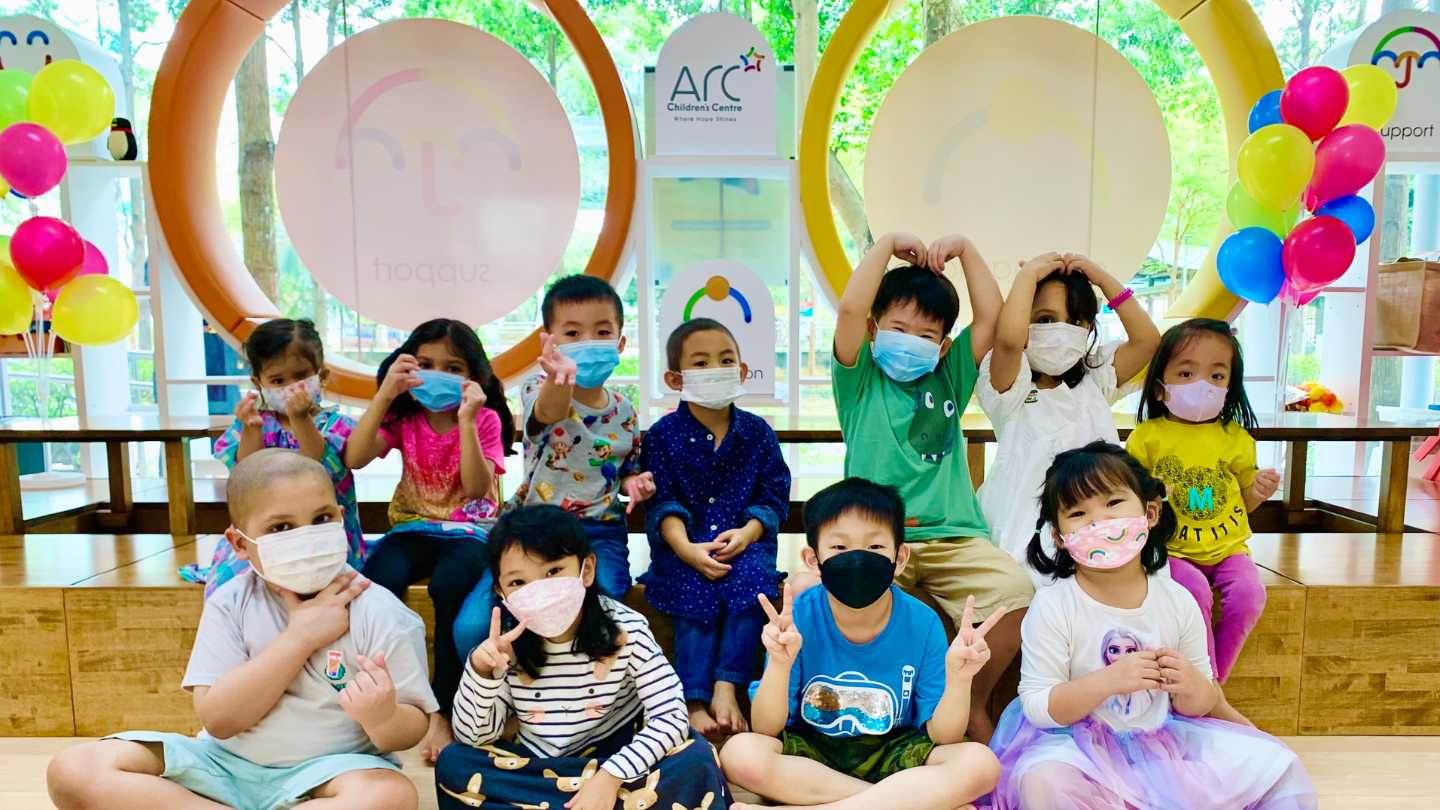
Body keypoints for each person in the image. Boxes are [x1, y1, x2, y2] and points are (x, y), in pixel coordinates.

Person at [47, 449, 437, 810]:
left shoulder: (381, 610)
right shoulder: (231, 602)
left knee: (390, 795)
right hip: (223, 766)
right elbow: (219, 721)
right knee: (74, 769)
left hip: (331, 773)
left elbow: (411, 729)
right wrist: (299, 638)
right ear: (240, 543)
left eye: (320, 519)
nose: (305, 537)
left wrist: (382, 716)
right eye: (281, 527)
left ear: (341, 519)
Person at [982, 442, 1315, 810]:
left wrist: (1192, 685)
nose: (1099, 521)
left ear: (1151, 512)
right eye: (1078, 512)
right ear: (1060, 538)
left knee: (1274, 765)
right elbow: (1038, 705)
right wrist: (1108, 680)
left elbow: (1200, 702)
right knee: (1043, 781)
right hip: (1074, 751)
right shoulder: (1054, 605)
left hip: (1161, 748)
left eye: (1113, 503)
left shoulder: (1177, 600)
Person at [828, 230, 1032, 743]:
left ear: (941, 346)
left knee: (1015, 593)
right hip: (876, 541)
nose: (910, 341)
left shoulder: (948, 377)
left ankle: (971, 704)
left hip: (953, 538)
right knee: (854, 608)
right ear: (875, 330)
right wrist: (886, 245)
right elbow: (850, 309)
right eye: (898, 328)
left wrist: (966, 248)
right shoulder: (859, 380)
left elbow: (989, 319)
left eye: (925, 335)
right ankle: (889, 717)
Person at [721, 478, 1002, 810]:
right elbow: (766, 727)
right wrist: (780, 664)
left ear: (899, 558)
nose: (857, 558)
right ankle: (904, 802)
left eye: (875, 547)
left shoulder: (922, 622)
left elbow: (945, 736)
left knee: (981, 764)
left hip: (895, 753)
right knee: (739, 753)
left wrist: (959, 679)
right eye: (840, 548)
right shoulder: (798, 617)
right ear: (813, 560)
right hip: (814, 756)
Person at [436, 505, 729, 810]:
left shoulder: (627, 629)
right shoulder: (503, 645)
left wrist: (610, 778)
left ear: (586, 570)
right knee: (453, 763)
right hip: (538, 769)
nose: (539, 592)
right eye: (518, 583)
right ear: (501, 591)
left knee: (697, 757)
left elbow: (671, 715)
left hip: (617, 760)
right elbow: (473, 737)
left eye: (553, 572)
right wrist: (481, 673)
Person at [345, 318, 515, 760]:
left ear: (474, 376)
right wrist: (385, 394)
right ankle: (379, 697)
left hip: (469, 531)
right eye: (426, 364)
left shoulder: (486, 420)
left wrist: (467, 421)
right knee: (375, 583)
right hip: (411, 527)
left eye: (452, 367)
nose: (438, 374)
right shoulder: (405, 417)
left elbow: (476, 488)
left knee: (450, 587)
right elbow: (354, 457)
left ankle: (443, 710)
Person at [638, 317, 791, 737]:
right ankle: (692, 700)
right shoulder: (662, 436)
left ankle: (727, 687)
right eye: (701, 362)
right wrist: (686, 548)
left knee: (755, 583)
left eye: (725, 360)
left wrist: (749, 532)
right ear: (675, 378)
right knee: (693, 587)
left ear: (742, 371)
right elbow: (662, 501)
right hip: (682, 548)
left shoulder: (758, 433)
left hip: (748, 545)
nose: (715, 369)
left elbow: (775, 496)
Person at [976, 253, 1159, 587]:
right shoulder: (1009, 386)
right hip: (1028, 527)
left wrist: (1103, 279)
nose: (1061, 331)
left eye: (1074, 321)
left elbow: (1147, 341)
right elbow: (1008, 341)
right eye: (1045, 319)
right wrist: (1027, 277)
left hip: (1100, 520)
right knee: (1037, 591)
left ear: (1088, 327)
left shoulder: (1094, 379)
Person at [1126, 319, 1280, 686]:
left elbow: (1244, 502)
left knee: (1250, 596)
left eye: (1216, 375)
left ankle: (1212, 685)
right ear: (1159, 388)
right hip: (1173, 551)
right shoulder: (1146, 437)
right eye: (1186, 373)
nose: (1202, 384)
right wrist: (1151, 494)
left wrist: (1258, 491)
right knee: (1193, 592)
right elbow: (1131, 502)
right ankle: (1203, 680)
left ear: (1229, 387)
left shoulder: (1235, 437)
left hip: (1229, 550)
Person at [185, 318, 367, 597]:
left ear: (321, 376)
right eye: (278, 380)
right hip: (266, 537)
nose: (290, 387)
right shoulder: (257, 422)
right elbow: (247, 476)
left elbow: (321, 469)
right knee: (231, 587)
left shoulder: (335, 425)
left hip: (321, 537)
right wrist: (251, 428)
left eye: (300, 376)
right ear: (259, 383)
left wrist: (300, 419)